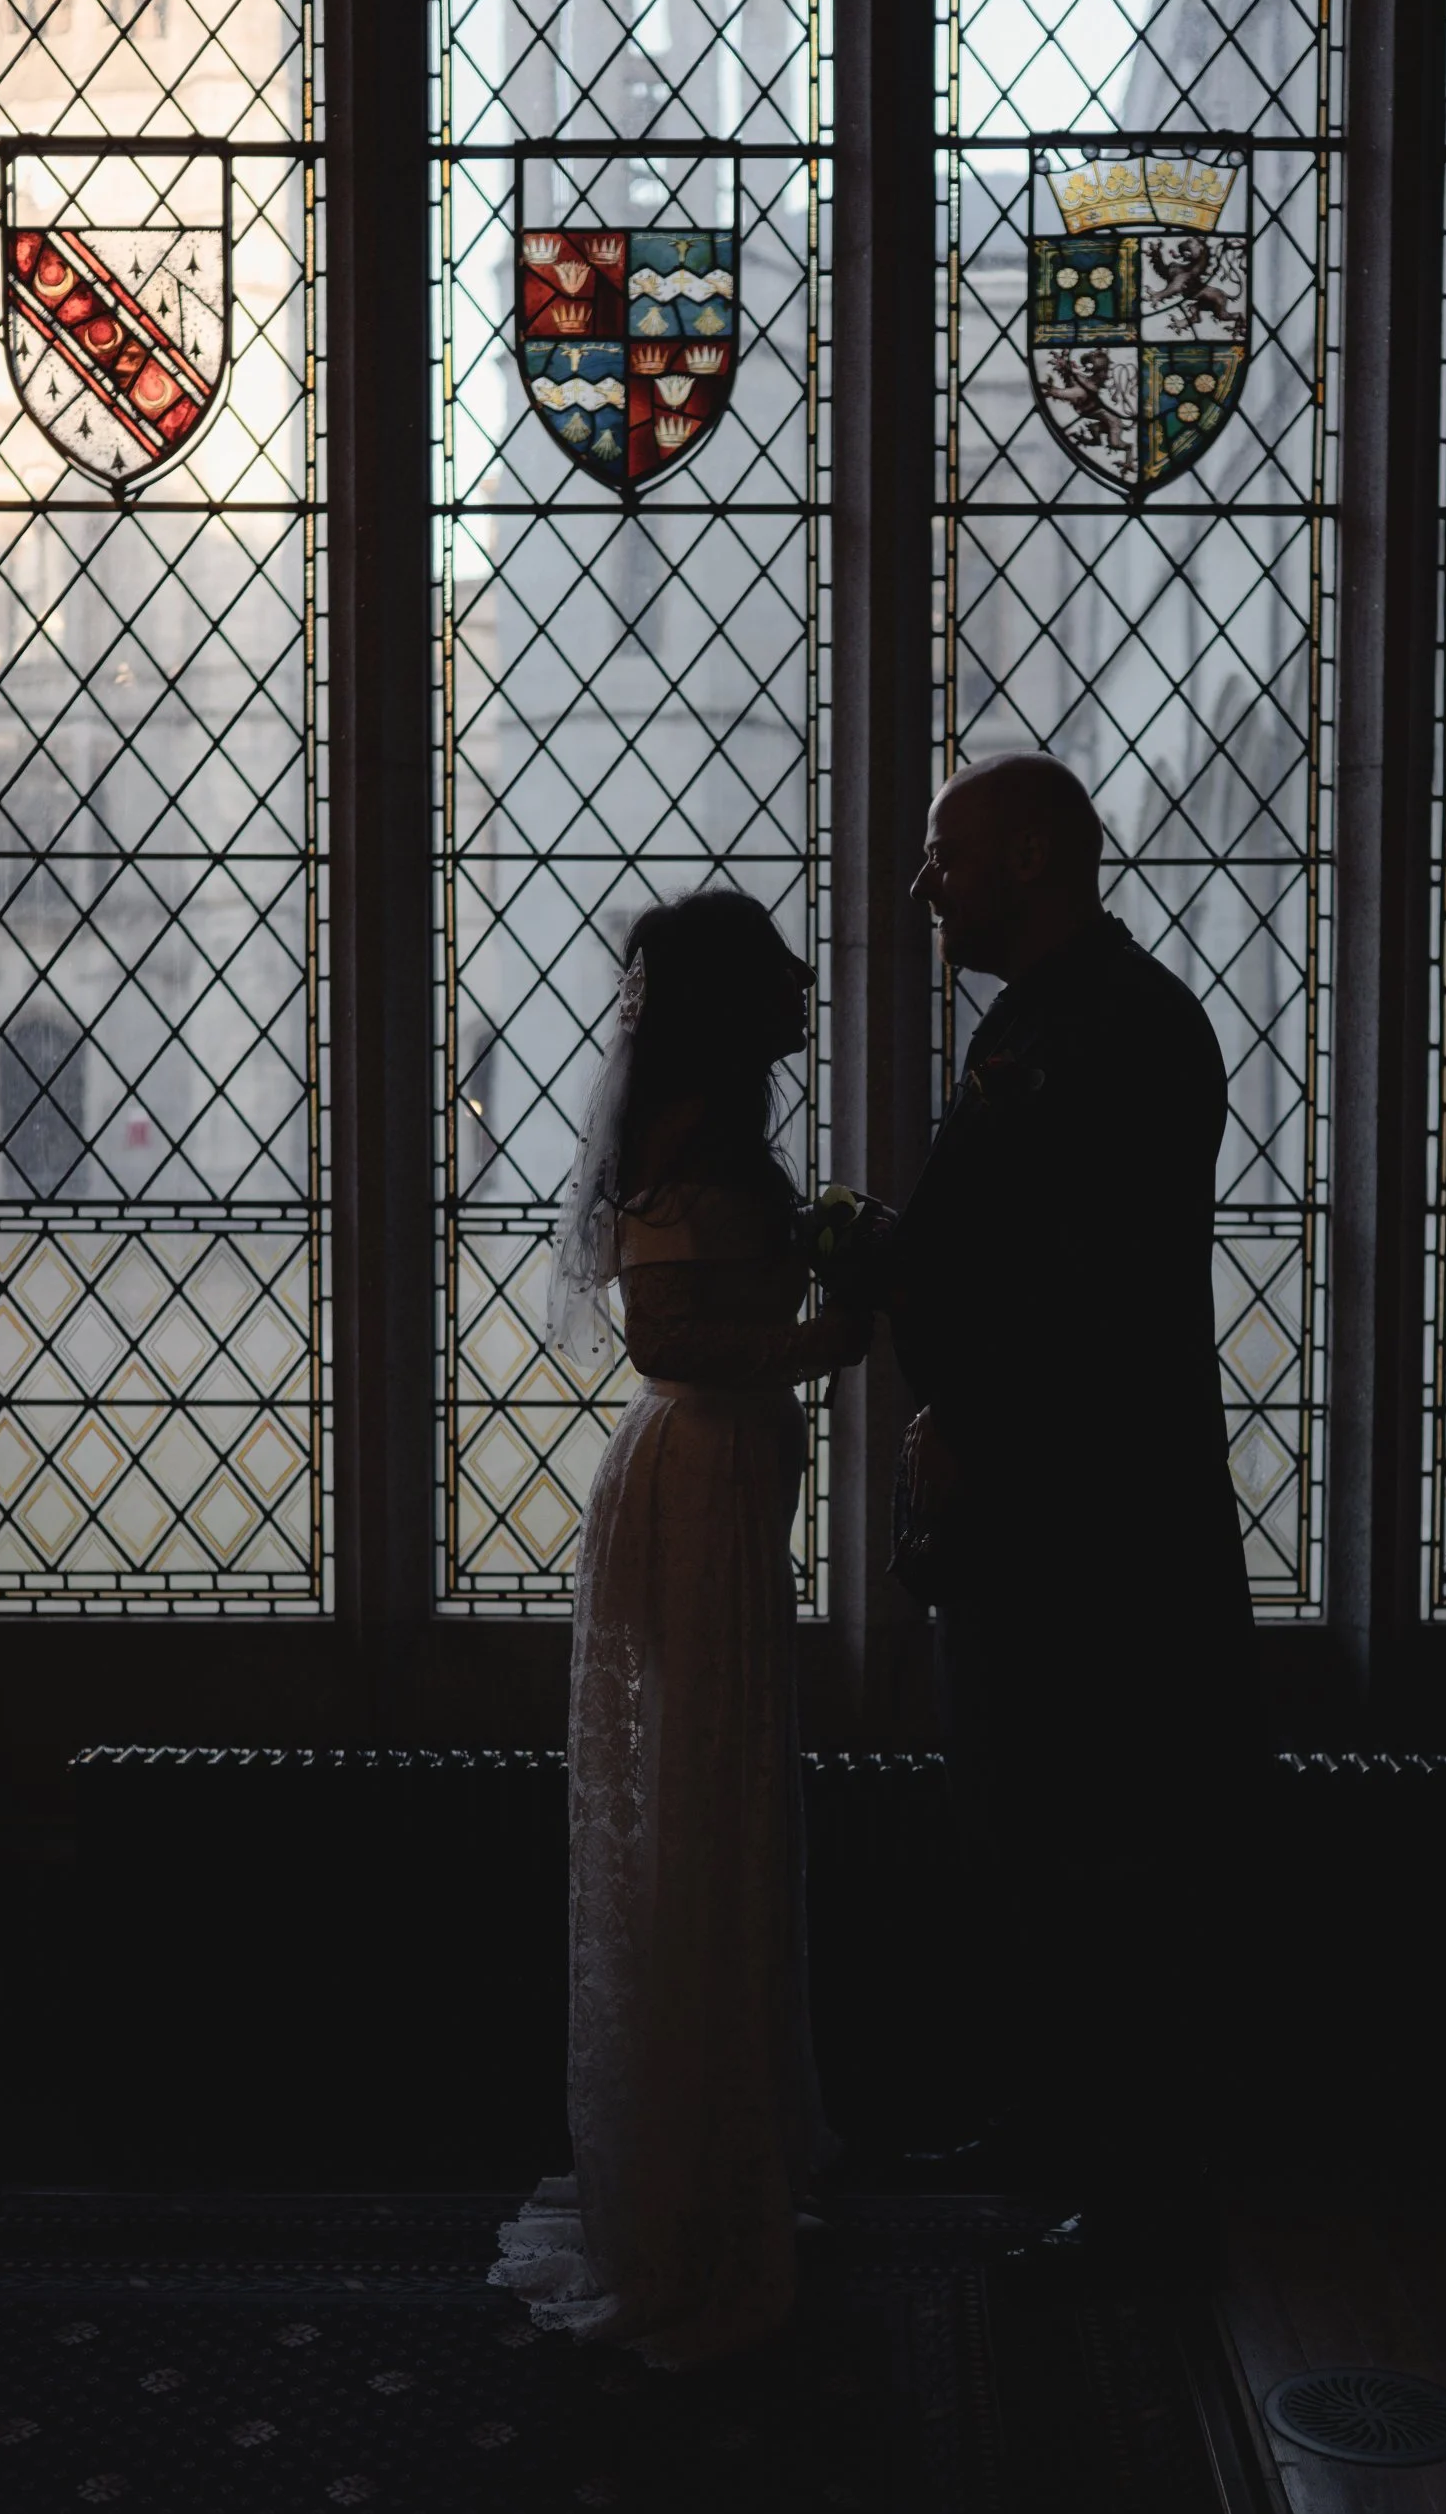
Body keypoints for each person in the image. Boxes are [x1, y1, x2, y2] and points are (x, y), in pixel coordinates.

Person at [880, 749, 1258, 2269]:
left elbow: (1095, 1287)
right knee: (1024, 1838)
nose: (924, 884)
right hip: (1024, 1510)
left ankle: (1142, 2198)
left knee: (1111, 1852)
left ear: (1032, 857)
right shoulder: (1040, 1018)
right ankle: (1051, 2127)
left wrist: (973, 1417)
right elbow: (997, 1242)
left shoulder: (1132, 1027)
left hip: (1099, 1527)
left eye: (945, 854)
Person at [491, 887, 870, 2367]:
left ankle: (728, 2154)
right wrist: (827, 1338)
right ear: (726, 997)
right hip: (697, 1477)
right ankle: (694, 2191)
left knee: (722, 1810)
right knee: (699, 1817)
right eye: (776, 966)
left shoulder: (718, 1134)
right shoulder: (689, 1141)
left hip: (723, 1472)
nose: (801, 979)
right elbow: (664, 1335)